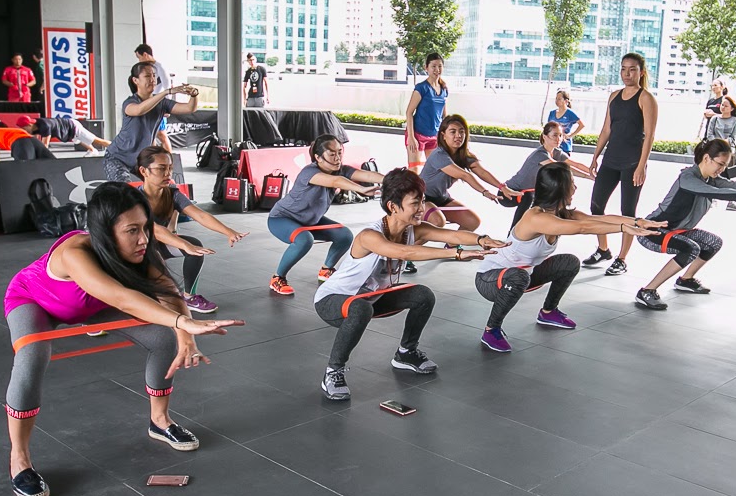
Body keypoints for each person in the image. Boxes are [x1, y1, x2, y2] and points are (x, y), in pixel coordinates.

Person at [1, 183, 244, 496]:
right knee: (32, 355)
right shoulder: (76, 252)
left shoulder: (142, 249)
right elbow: (122, 297)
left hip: (91, 304)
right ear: (104, 231)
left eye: (145, 227)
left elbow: (169, 292)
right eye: (132, 230)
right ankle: (19, 458)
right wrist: (184, 322)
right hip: (35, 301)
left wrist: (185, 337)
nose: (143, 238)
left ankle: (160, 421)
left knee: (162, 337)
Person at [313, 168, 499, 399]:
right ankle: (333, 371)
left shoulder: (413, 229)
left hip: (372, 298)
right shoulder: (369, 236)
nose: (422, 208)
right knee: (361, 308)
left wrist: (482, 239)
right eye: (415, 203)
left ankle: (406, 352)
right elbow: (405, 251)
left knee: (422, 295)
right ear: (393, 206)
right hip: (333, 301)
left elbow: (452, 236)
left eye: (422, 201)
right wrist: (457, 255)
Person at [477, 162, 659, 352]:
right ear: (560, 188)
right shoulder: (536, 217)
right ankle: (491, 330)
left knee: (569, 262)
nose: (575, 186)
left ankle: (548, 312)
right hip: (490, 279)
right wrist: (623, 228)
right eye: (572, 182)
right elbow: (583, 228)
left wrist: (638, 221)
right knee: (519, 277)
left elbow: (594, 220)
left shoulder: (561, 213)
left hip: (523, 275)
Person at [633, 138, 736, 310]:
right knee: (691, 248)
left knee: (713, 243)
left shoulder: (709, 179)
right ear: (707, 158)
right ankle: (647, 291)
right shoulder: (688, 178)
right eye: (720, 164)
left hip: (678, 231)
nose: (722, 169)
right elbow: (719, 193)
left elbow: (735, 185)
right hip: (653, 230)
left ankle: (686, 280)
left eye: (725, 166)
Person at [266, 135, 385, 295]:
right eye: (332, 154)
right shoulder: (309, 172)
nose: (337, 158)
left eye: (339, 152)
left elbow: (367, 175)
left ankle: (326, 270)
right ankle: (277, 278)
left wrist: (393, 179)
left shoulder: (341, 169)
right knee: (304, 240)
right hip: (282, 219)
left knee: (344, 235)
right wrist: (362, 189)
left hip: (311, 221)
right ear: (318, 157)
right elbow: (336, 181)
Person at [137, 145, 248, 315]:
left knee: (195, 246)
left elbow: (200, 215)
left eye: (170, 168)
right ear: (144, 171)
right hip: (133, 251)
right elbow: (155, 230)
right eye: (161, 169)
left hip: (155, 245)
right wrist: (183, 244)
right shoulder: (135, 199)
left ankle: (189, 297)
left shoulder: (172, 194)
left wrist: (229, 231)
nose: (168, 173)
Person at [586, 52, 659, 276]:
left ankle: (622, 258)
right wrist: (595, 156)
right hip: (611, 160)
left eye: (632, 69)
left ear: (641, 72)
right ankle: (603, 249)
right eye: (624, 69)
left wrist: (641, 166)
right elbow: (606, 129)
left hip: (632, 163)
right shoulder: (614, 96)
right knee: (596, 207)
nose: (627, 74)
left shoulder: (646, 98)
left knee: (628, 212)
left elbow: (649, 136)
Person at [419, 116, 519, 234]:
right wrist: (485, 192)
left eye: (462, 132)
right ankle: (407, 250)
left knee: (472, 221)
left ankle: (451, 248)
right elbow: (465, 175)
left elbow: (482, 172)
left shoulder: (463, 156)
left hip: (441, 197)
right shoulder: (438, 155)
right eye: (453, 132)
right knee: (437, 222)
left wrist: (503, 187)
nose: (458, 135)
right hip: (422, 197)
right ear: (443, 135)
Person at [107, 61, 197, 183]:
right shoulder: (129, 102)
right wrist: (166, 92)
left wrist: (193, 95)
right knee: (125, 191)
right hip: (118, 157)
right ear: (135, 80)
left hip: (142, 159)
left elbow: (189, 108)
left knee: (167, 185)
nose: (153, 79)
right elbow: (139, 110)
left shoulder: (162, 102)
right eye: (147, 76)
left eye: (154, 75)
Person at [501, 121, 594, 230]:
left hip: (529, 193)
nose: (558, 139)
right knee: (529, 197)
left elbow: (576, 164)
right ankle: (512, 236)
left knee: (540, 200)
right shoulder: (540, 154)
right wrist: (588, 177)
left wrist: (594, 174)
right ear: (545, 137)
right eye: (554, 135)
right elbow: (562, 168)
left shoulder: (557, 153)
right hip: (508, 193)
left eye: (560, 135)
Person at [403, 53, 449, 170]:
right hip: (417, 134)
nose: (437, 69)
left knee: (436, 170)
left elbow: (444, 116)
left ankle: (430, 189)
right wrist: (411, 138)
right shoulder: (421, 88)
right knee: (415, 170)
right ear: (426, 68)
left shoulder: (443, 89)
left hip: (434, 136)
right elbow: (409, 112)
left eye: (440, 66)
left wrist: (446, 136)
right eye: (433, 66)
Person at [707, 95, 736, 211]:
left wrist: (725, 142)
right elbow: (709, 135)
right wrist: (718, 143)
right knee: (712, 175)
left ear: (732, 108)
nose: (723, 107)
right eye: (722, 105)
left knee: (729, 178)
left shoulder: (735, 121)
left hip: (728, 152)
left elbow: (733, 138)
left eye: (726, 105)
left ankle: (731, 201)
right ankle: (711, 199)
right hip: (715, 151)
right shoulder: (715, 119)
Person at [36, 115, 110, 153]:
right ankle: (92, 150)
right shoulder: (39, 126)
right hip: (68, 127)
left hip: (73, 127)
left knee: (98, 141)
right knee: (78, 140)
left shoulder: (45, 126)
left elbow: (45, 145)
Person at [547, 89, 584, 154]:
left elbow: (581, 125)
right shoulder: (552, 113)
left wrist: (570, 135)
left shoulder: (570, 113)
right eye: (556, 99)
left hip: (565, 146)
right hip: (552, 146)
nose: (557, 101)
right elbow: (548, 128)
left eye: (559, 99)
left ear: (566, 101)